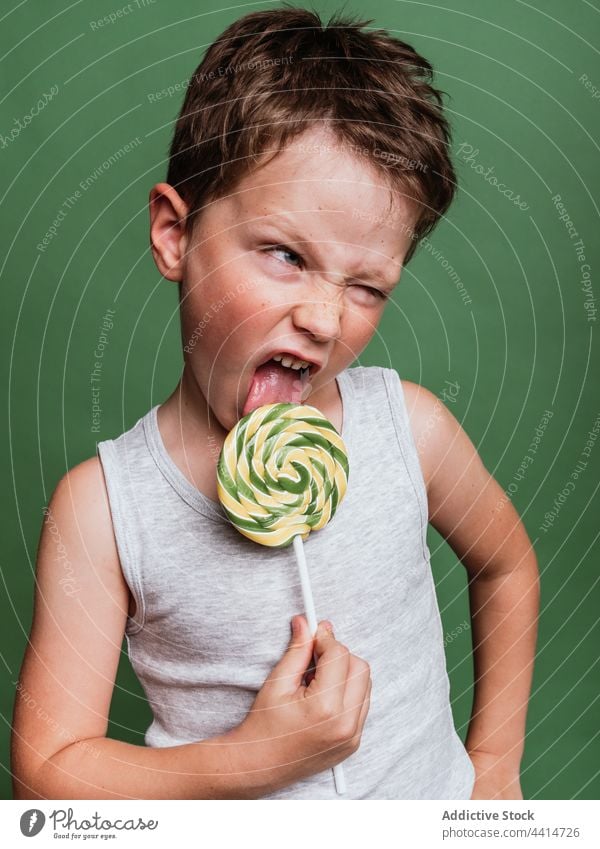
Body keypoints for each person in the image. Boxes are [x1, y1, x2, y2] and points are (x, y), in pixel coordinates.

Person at [11, 5, 540, 800]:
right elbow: (49, 768)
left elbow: (506, 566)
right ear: (173, 234)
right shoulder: (103, 509)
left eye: (365, 287)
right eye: (287, 255)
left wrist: (494, 765)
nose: (326, 319)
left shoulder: (412, 432)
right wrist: (250, 756)